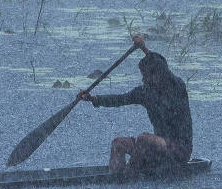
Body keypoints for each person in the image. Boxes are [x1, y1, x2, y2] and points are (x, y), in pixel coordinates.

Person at [80, 36, 193, 178]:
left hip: (179, 149)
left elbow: (162, 66)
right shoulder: (145, 93)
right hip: (155, 149)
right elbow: (120, 99)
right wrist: (93, 99)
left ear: (158, 75)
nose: (143, 79)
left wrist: (144, 48)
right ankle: (114, 178)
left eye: (146, 75)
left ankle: (129, 175)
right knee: (118, 143)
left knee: (144, 139)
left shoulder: (177, 88)